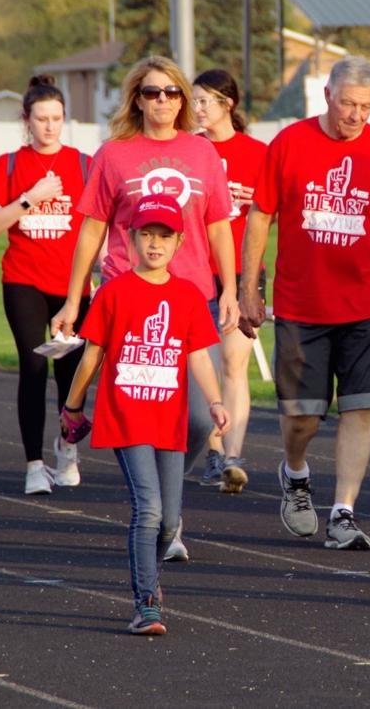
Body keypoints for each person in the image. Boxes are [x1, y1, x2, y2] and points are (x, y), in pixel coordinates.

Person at [51, 55, 236, 562]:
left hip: (193, 295)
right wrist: (74, 298)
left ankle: (164, 506)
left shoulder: (202, 154)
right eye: (152, 92)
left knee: (198, 419)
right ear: (137, 98)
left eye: (172, 92)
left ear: (183, 98)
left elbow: (219, 224)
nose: (163, 101)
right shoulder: (114, 154)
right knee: (142, 414)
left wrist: (233, 290)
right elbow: (91, 226)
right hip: (128, 296)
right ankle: (156, 515)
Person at [239, 56, 370, 552]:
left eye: (365, 107)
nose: (356, 116)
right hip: (301, 305)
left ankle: (343, 511)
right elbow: (259, 216)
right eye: (348, 104)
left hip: (365, 306)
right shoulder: (290, 143)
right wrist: (247, 289)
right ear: (327, 96)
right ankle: (295, 474)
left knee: (360, 410)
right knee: (303, 418)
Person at [61, 194, 229, 635]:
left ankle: (150, 579)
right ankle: (146, 600)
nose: (155, 243)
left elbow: (198, 359)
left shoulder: (188, 295)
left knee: (170, 520)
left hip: (168, 421)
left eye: (165, 236)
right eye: (147, 234)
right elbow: (92, 356)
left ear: (180, 243)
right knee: (149, 509)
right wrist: (73, 405)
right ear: (130, 237)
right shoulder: (115, 293)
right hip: (127, 416)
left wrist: (214, 402)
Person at [0, 75, 92, 495]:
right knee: (33, 366)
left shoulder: (83, 163)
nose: (49, 126)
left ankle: (68, 452)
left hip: (72, 284)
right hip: (23, 279)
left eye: (57, 118)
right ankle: (33, 464)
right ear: (26, 120)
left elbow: (101, 224)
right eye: (41, 119)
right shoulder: (8, 164)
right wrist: (30, 198)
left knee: (70, 371)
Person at [188, 69, 267, 493]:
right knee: (206, 369)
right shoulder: (188, 151)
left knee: (235, 364)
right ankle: (214, 451)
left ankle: (232, 457)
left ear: (227, 104)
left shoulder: (258, 152)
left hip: (244, 271)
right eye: (194, 101)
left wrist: (258, 203)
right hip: (197, 272)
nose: (196, 109)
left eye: (204, 101)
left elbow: (280, 211)